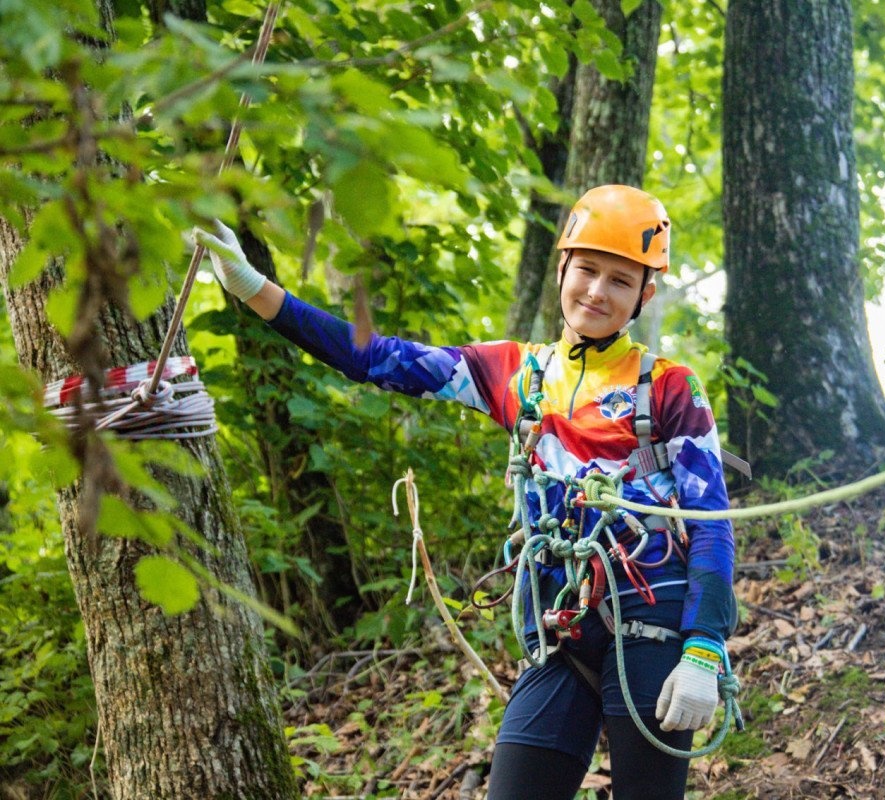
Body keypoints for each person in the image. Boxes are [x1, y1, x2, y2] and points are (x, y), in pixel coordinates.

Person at [195, 185, 738, 800]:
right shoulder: (517, 373)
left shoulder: (668, 387)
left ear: (644, 294)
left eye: (620, 280)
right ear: (562, 269)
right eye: (586, 269)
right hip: (561, 626)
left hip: (651, 621)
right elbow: (382, 360)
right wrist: (254, 289)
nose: (596, 291)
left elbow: (711, 522)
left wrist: (705, 646)